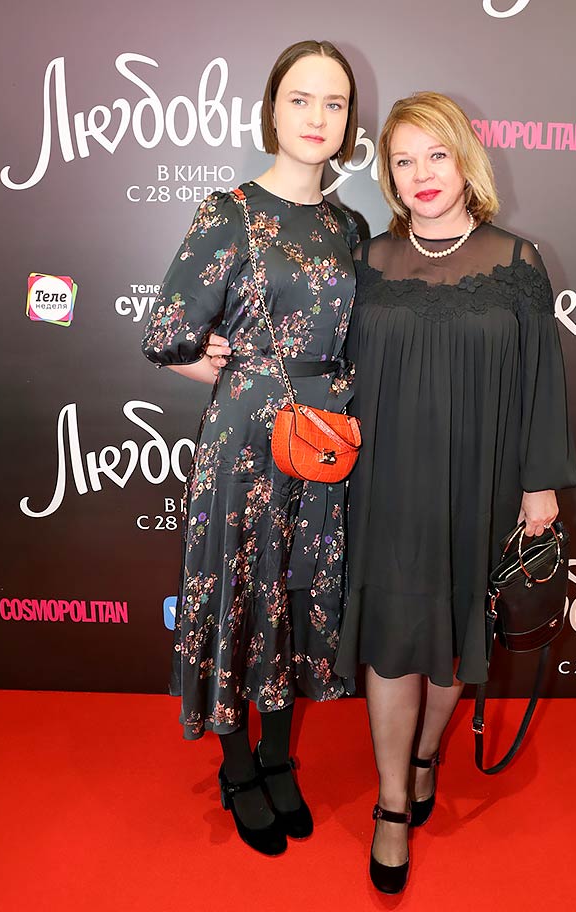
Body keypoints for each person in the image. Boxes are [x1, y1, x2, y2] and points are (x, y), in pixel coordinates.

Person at [333, 92, 576, 893]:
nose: (422, 174)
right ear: (388, 175)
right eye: (403, 160)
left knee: (450, 645)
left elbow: (542, 381)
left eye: (435, 154)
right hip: (386, 486)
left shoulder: (517, 262)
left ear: (465, 160)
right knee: (393, 639)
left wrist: (539, 488)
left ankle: (427, 753)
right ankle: (391, 804)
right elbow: (327, 366)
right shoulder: (367, 262)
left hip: (483, 481)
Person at [141, 40, 360, 857]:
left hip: (322, 439)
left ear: (349, 120)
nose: (317, 117)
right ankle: (237, 765)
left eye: (334, 103)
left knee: (296, 590)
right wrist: (214, 365)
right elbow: (164, 330)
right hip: (245, 443)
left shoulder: (349, 225)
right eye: (300, 99)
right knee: (240, 586)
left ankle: (276, 754)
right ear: (272, 109)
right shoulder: (227, 211)